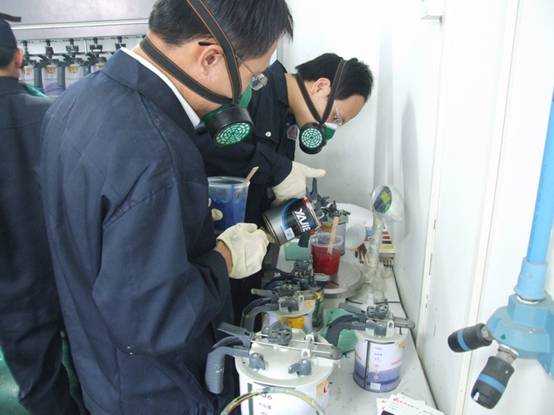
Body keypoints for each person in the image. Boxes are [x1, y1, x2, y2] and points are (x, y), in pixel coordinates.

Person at [39, 0, 292, 413]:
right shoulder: (158, 150)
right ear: (210, 57)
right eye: (253, 77)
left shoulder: (76, 100)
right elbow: (155, 319)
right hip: (157, 393)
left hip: (100, 371)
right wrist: (224, 257)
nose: (246, 92)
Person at [195, 53, 373, 319]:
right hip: (215, 251)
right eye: (336, 117)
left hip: (247, 252)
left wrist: (289, 213)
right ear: (321, 86)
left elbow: (260, 177)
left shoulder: (288, 118)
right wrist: (279, 170)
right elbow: (206, 145)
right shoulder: (253, 89)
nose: (331, 130)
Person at [0, 13, 80, 415]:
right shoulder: (58, 115)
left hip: (12, 294)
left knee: (41, 387)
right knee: (94, 370)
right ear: (19, 57)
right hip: (75, 277)